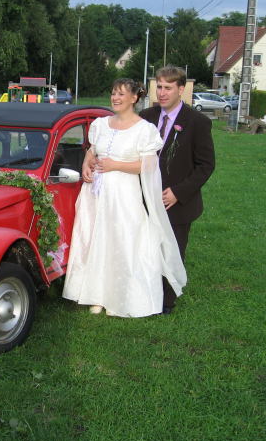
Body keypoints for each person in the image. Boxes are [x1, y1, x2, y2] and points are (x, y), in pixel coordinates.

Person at [63, 78, 186, 317]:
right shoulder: (101, 124)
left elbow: (148, 166)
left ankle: (119, 296)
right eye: (113, 93)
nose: (115, 98)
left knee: (121, 241)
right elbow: (92, 150)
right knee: (94, 240)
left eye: (121, 94)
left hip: (123, 196)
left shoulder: (144, 129)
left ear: (134, 98)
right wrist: (87, 163)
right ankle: (95, 294)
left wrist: (115, 165)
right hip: (95, 195)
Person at [139, 66, 215, 314]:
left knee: (172, 250)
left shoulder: (197, 122)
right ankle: (146, 293)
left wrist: (179, 192)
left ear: (181, 89)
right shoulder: (146, 116)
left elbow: (206, 165)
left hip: (176, 202)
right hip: (146, 197)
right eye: (159, 87)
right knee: (147, 248)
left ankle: (167, 301)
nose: (162, 93)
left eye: (168, 88)